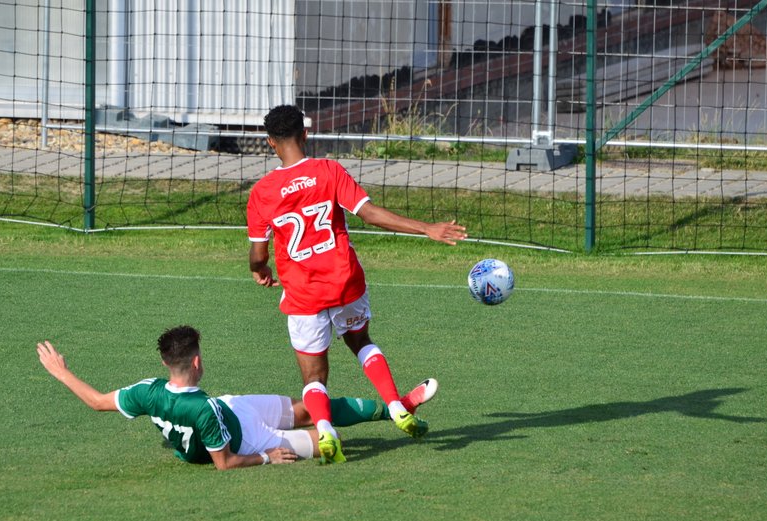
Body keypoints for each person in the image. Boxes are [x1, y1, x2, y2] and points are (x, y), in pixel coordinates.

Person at [247, 104, 467, 464]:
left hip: (304, 294)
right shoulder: (329, 171)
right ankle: (396, 405)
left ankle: (326, 431)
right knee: (361, 341)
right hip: (345, 281)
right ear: (305, 134)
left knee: (314, 376)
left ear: (270, 142)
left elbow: (258, 253)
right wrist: (427, 228)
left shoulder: (262, 192)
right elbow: (369, 213)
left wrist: (260, 269)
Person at [36, 325, 436, 470]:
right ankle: (392, 409)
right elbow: (224, 463)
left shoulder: (146, 392)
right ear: (196, 361)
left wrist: (60, 371)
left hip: (235, 407)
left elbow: (96, 401)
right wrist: (265, 457)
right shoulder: (203, 410)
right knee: (324, 440)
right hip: (245, 440)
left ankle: (395, 407)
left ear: (166, 362)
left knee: (306, 408)